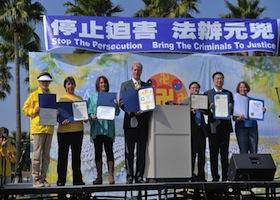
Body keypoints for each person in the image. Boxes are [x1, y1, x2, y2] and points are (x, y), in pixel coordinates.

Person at [119, 61, 151, 184]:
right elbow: (122, 103)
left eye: (138, 70)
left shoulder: (146, 86)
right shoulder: (125, 85)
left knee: (141, 151)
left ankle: (139, 177)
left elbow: (150, 103)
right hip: (130, 122)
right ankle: (129, 176)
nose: (136, 72)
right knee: (129, 151)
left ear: (141, 71)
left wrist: (144, 110)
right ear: (132, 71)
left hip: (143, 124)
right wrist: (132, 111)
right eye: (134, 70)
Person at [22, 72, 54, 187]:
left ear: (49, 82)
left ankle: (43, 178)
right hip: (38, 128)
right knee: (36, 155)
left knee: (46, 155)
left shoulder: (52, 97)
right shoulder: (33, 95)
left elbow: (55, 110)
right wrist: (33, 111)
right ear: (39, 83)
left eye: (47, 81)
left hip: (49, 128)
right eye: (43, 82)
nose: (45, 83)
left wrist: (57, 112)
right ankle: (36, 178)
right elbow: (25, 109)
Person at [87, 75, 120, 185]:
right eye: (101, 82)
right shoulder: (92, 97)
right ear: (98, 84)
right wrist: (91, 116)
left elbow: (117, 113)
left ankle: (111, 175)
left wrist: (116, 105)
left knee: (109, 151)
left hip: (108, 129)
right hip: (97, 128)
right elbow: (88, 112)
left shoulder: (111, 97)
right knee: (97, 153)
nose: (103, 84)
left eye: (105, 82)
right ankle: (99, 176)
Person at [204, 72, 233, 182]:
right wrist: (209, 108)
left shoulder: (228, 94)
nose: (219, 80)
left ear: (223, 80)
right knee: (213, 153)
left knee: (224, 153)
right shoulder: (207, 94)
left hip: (225, 128)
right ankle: (215, 177)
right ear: (213, 81)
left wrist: (230, 108)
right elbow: (204, 111)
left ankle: (225, 177)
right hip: (213, 127)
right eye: (217, 79)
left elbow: (233, 111)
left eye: (221, 78)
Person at [56, 77, 85, 186]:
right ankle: (61, 180)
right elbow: (58, 116)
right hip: (63, 131)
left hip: (77, 130)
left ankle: (77, 179)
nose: (70, 86)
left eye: (72, 84)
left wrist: (85, 117)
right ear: (65, 86)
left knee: (76, 156)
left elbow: (83, 114)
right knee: (62, 156)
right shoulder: (61, 100)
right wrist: (60, 119)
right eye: (68, 84)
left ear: (75, 86)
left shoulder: (80, 98)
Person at [182, 82, 208, 182]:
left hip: (201, 131)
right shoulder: (185, 101)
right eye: (193, 88)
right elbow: (182, 115)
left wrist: (204, 108)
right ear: (190, 90)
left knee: (202, 155)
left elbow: (207, 112)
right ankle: (190, 174)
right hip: (191, 131)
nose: (195, 89)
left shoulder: (203, 100)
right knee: (192, 154)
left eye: (197, 88)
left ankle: (201, 175)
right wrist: (192, 110)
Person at [233, 81, 266, 154]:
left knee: (254, 150)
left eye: (244, 87)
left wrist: (262, 111)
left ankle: (254, 165)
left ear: (247, 88)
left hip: (252, 127)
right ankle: (244, 165)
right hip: (241, 128)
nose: (243, 89)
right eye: (241, 87)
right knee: (243, 151)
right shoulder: (235, 101)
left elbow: (258, 113)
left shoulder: (253, 101)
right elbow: (234, 118)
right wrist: (238, 119)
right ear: (238, 89)